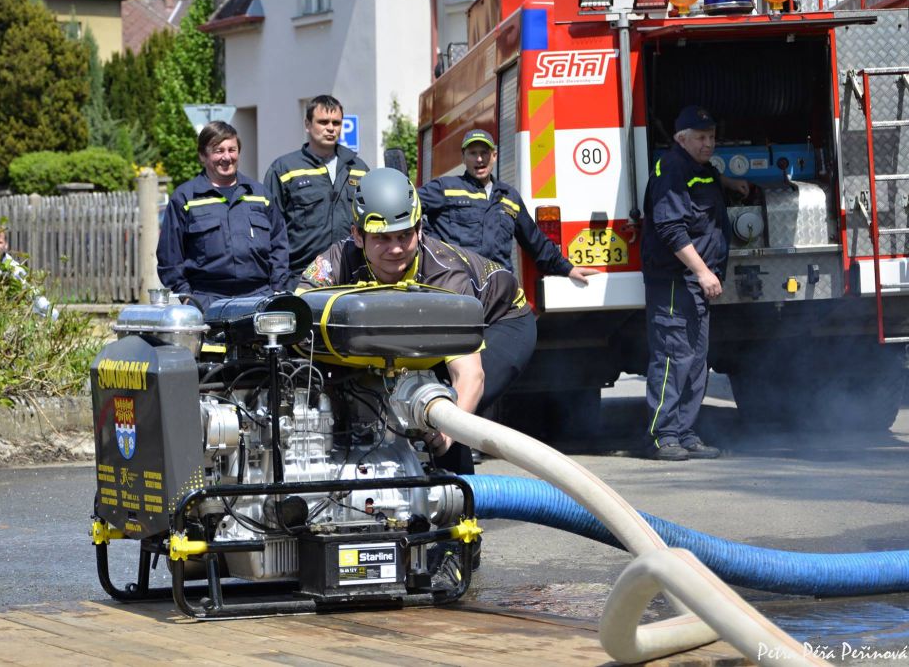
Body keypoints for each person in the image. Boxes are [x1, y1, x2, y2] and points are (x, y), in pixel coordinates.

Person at [297, 168, 537, 475]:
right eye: (382, 238)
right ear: (357, 235)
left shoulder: (445, 276)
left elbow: (470, 375)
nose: (396, 248)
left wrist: (447, 432)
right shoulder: (335, 261)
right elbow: (298, 312)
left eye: (404, 235)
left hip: (502, 321)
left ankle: (457, 494)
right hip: (417, 331)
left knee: (441, 406)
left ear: (420, 228)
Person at [642, 106, 749, 461]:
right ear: (681, 139)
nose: (709, 143)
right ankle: (663, 436)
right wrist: (703, 271)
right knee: (673, 358)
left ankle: (686, 432)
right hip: (675, 281)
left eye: (712, 137)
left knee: (696, 361)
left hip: (695, 284)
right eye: (701, 137)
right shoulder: (671, 170)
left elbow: (707, 183)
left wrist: (730, 184)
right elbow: (671, 228)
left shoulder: (700, 169)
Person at [418, 128, 599, 285]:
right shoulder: (445, 188)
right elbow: (408, 203)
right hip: (458, 284)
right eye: (473, 153)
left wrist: (567, 268)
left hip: (498, 287)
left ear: (494, 156)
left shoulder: (509, 197)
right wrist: (426, 236)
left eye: (484, 152)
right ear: (463, 157)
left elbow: (534, 240)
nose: (479, 159)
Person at [158, 121, 289, 311]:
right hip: (206, 300)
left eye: (232, 150)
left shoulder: (260, 195)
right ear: (203, 155)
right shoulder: (186, 198)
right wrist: (187, 298)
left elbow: (280, 246)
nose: (227, 157)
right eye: (218, 151)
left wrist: (277, 289)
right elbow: (169, 257)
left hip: (259, 297)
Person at [263, 95, 369, 289]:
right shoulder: (284, 169)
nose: (330, 128)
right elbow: (271, 230)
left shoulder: (359, 168)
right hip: (301, 278)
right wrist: (279, 282)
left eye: (336, 123)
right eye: (323, 122)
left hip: (352, 276)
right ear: (307, 124)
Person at [0, 225, 58, 318]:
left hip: (6, 313)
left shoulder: (14, 268)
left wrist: (50, 310)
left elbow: (30, 291)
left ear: (6, 245)